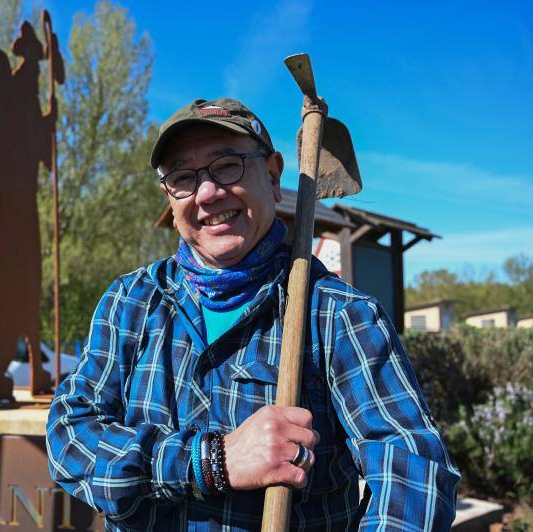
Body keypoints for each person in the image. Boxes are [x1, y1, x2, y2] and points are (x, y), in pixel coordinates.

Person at [46, 98, 460, 530]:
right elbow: (69, 437)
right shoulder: (131, 301)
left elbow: (414, 474)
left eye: (227, 165)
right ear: (169, 198)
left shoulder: (339, 316)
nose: (207, 193)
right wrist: (211, 462)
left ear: (273, 173)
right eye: (182, 177)